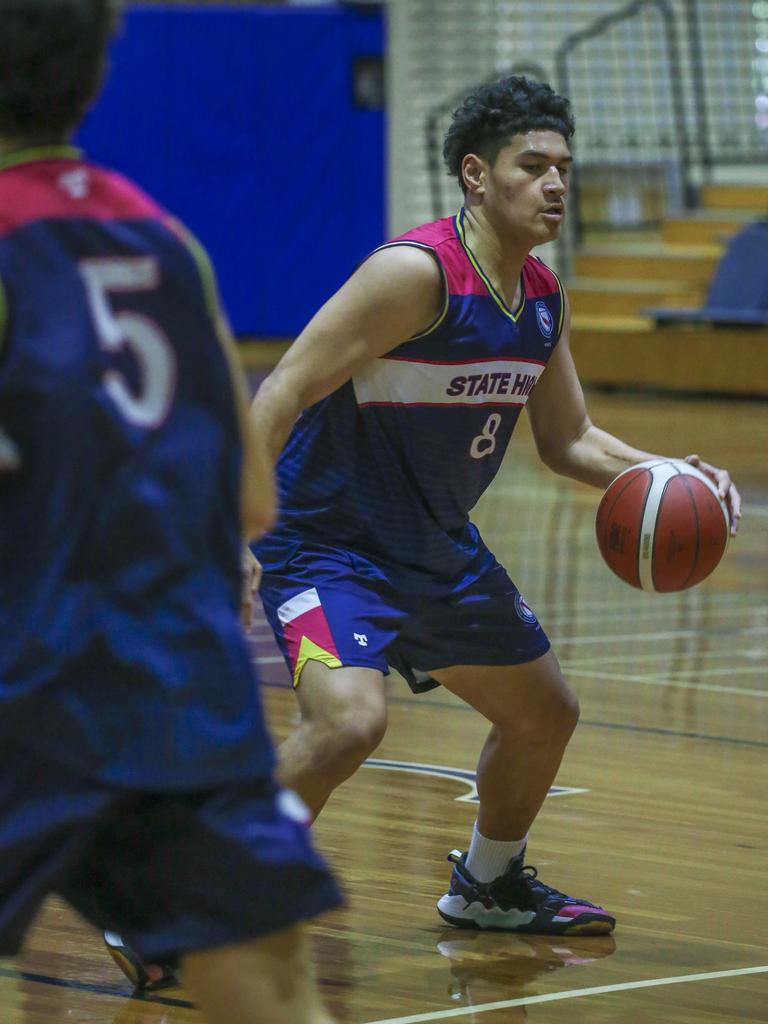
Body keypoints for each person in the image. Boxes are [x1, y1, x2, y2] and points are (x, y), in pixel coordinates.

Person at [248, 75, 742, 934]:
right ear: (477, 175)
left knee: (544, 713)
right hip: (327, 548)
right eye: (534, 165)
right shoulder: (414, 275)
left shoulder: (542, 300)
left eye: (564, 169)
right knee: (348, 726)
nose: (556, 184)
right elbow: (281, 389)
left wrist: (675, 476)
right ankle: (190, 902)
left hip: (435, 550)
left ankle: (489, 882)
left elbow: (570, 441)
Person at [0, 3, 340, 1022]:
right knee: (270, 984)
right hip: (180, 691)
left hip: (28, 681)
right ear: (94, 73)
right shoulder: (168, 242)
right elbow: (251, 497)